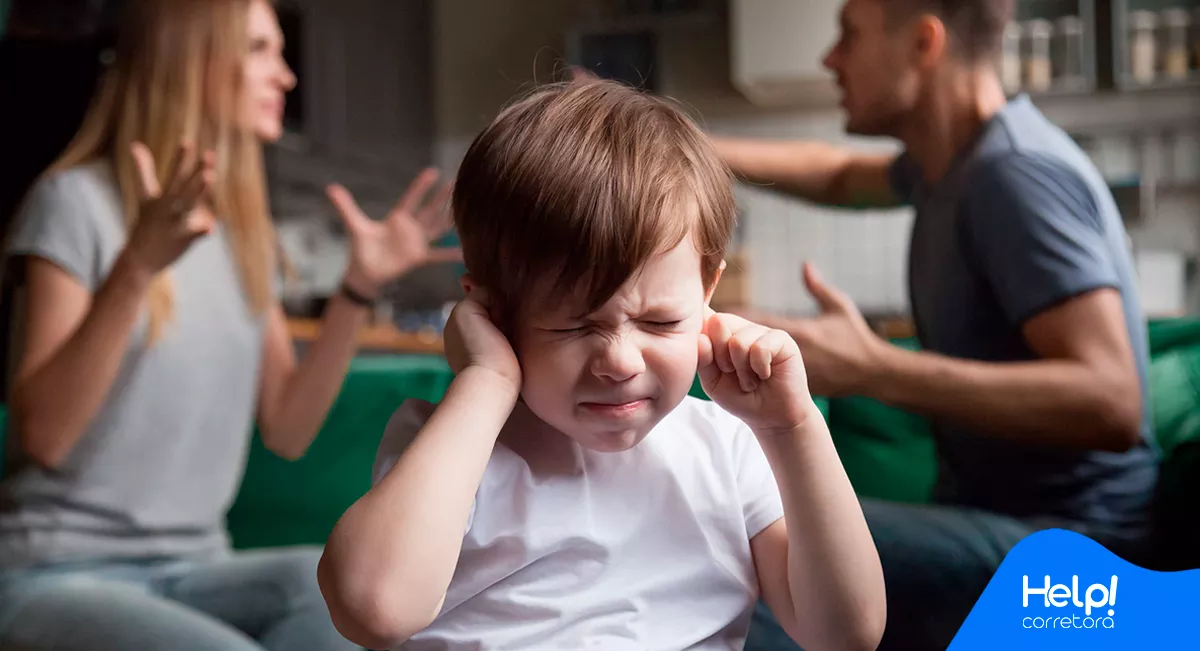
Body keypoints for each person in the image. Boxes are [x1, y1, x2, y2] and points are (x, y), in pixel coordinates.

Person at [316, 79, 888, 651]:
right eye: (572, 326)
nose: (618, 361)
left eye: (661, 321)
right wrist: (485, 382)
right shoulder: (450, 448)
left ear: (707, 291)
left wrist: (792, 428)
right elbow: (373, 610)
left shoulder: (729, 449)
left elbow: (847, 635)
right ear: (490, 311)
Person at [0, 0, 459, 649]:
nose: (286, 76)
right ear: (191, 64)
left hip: (197, 565)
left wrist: (357, 289)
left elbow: (289, 428)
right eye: (260, 51)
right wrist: (136, 266)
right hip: (54, 570)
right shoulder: (73, 201)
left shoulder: (244, 231)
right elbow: (43, 435)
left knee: (329, 598)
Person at [712, 0, 1159, 649]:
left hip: (1079, 555)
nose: (829, 59)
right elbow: (835, 172)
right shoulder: (949, 165)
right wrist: (671, 137)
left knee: (751, 545)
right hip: (1008, 523)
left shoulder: (1012, 174)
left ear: (925, 42)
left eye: (849, 35)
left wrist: (872, 367)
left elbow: (1113, 399)